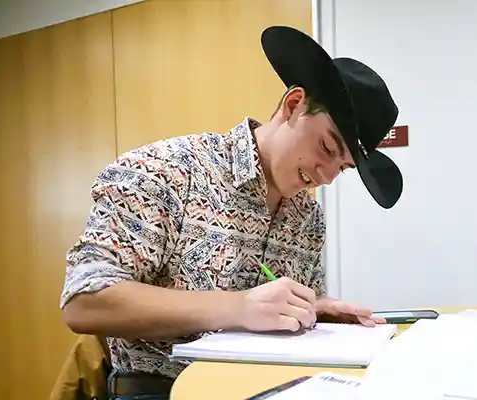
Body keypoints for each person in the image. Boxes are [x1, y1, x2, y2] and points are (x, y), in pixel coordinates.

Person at [60, 26, 403, 399]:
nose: (326, 175)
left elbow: (278, 321)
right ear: (293, 105)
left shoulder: (309, 218)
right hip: (162, 391)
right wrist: (237, 306)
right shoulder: (167, 171)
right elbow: (84, 302)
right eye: (326, 146)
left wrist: (314, 310)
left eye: (344, 167)